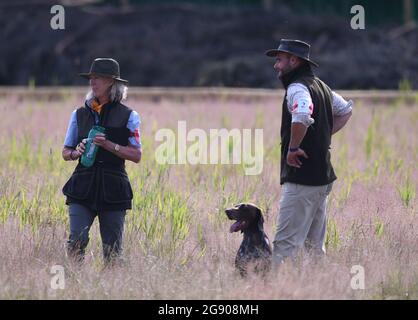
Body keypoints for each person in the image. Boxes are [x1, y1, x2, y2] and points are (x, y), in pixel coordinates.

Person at [265, 39, 353, 265]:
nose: (276, 66)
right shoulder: (320, 86)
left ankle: (277, 291)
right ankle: (320, 289)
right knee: (314, 248)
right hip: (321, 178)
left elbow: (302, 115)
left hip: (302, 177)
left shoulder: (297, 88)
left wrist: (294, 147)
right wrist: (320, 137)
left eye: (280, 60)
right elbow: (345, 110)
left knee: (285, 245)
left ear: (294, 61)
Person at [62, 58, 142, 264]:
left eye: (98, 78)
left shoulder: (130, 116)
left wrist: (110, 146)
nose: (92, 82)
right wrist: (75, 152)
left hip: (114, 190)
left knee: (113, 251)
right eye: (91, 78)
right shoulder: (78, 114)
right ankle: (73, 288)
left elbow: (136, 155)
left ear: (111, 82)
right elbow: (65, 151)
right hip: (82, 187)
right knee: (76, 241)